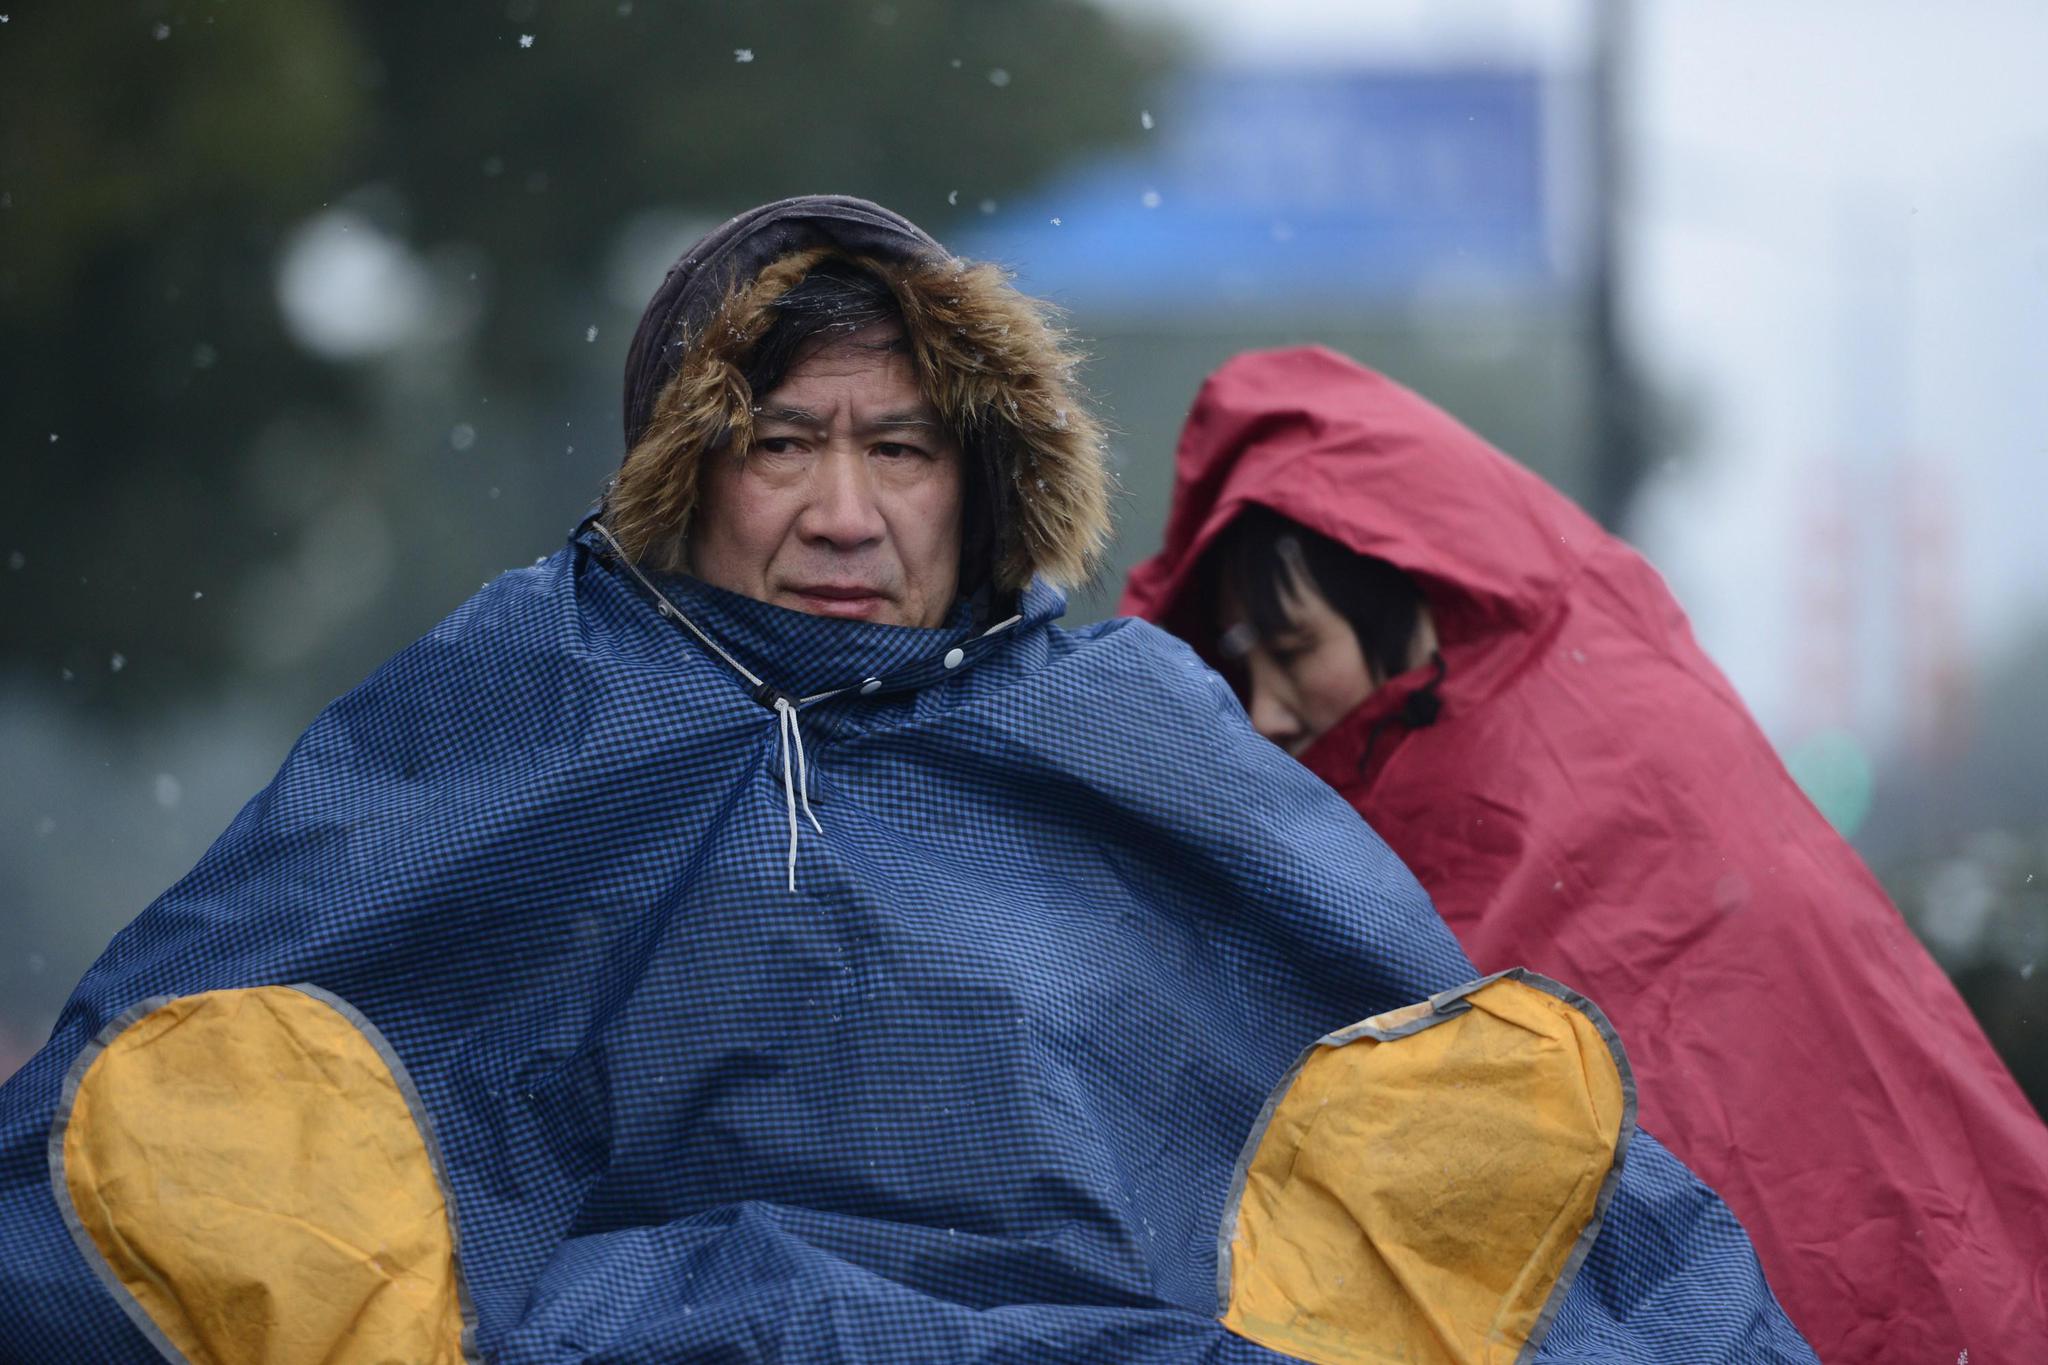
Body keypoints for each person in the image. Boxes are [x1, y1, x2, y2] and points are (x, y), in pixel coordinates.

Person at [0, 200, 1815, 1363]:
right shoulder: (529, 700)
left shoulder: (1127, 735)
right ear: (687, 473)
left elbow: (1433, 1133)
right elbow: (203, 1095)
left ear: (983, 482)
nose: (842, 513)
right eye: (781, 443)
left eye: (900, 449)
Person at [1121, 344, 2048, 1364]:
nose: (1264, 709)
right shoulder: (1393, 795)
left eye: (1291, 653)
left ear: (1402, 591)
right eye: (1236, 669)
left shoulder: (1591, 733)